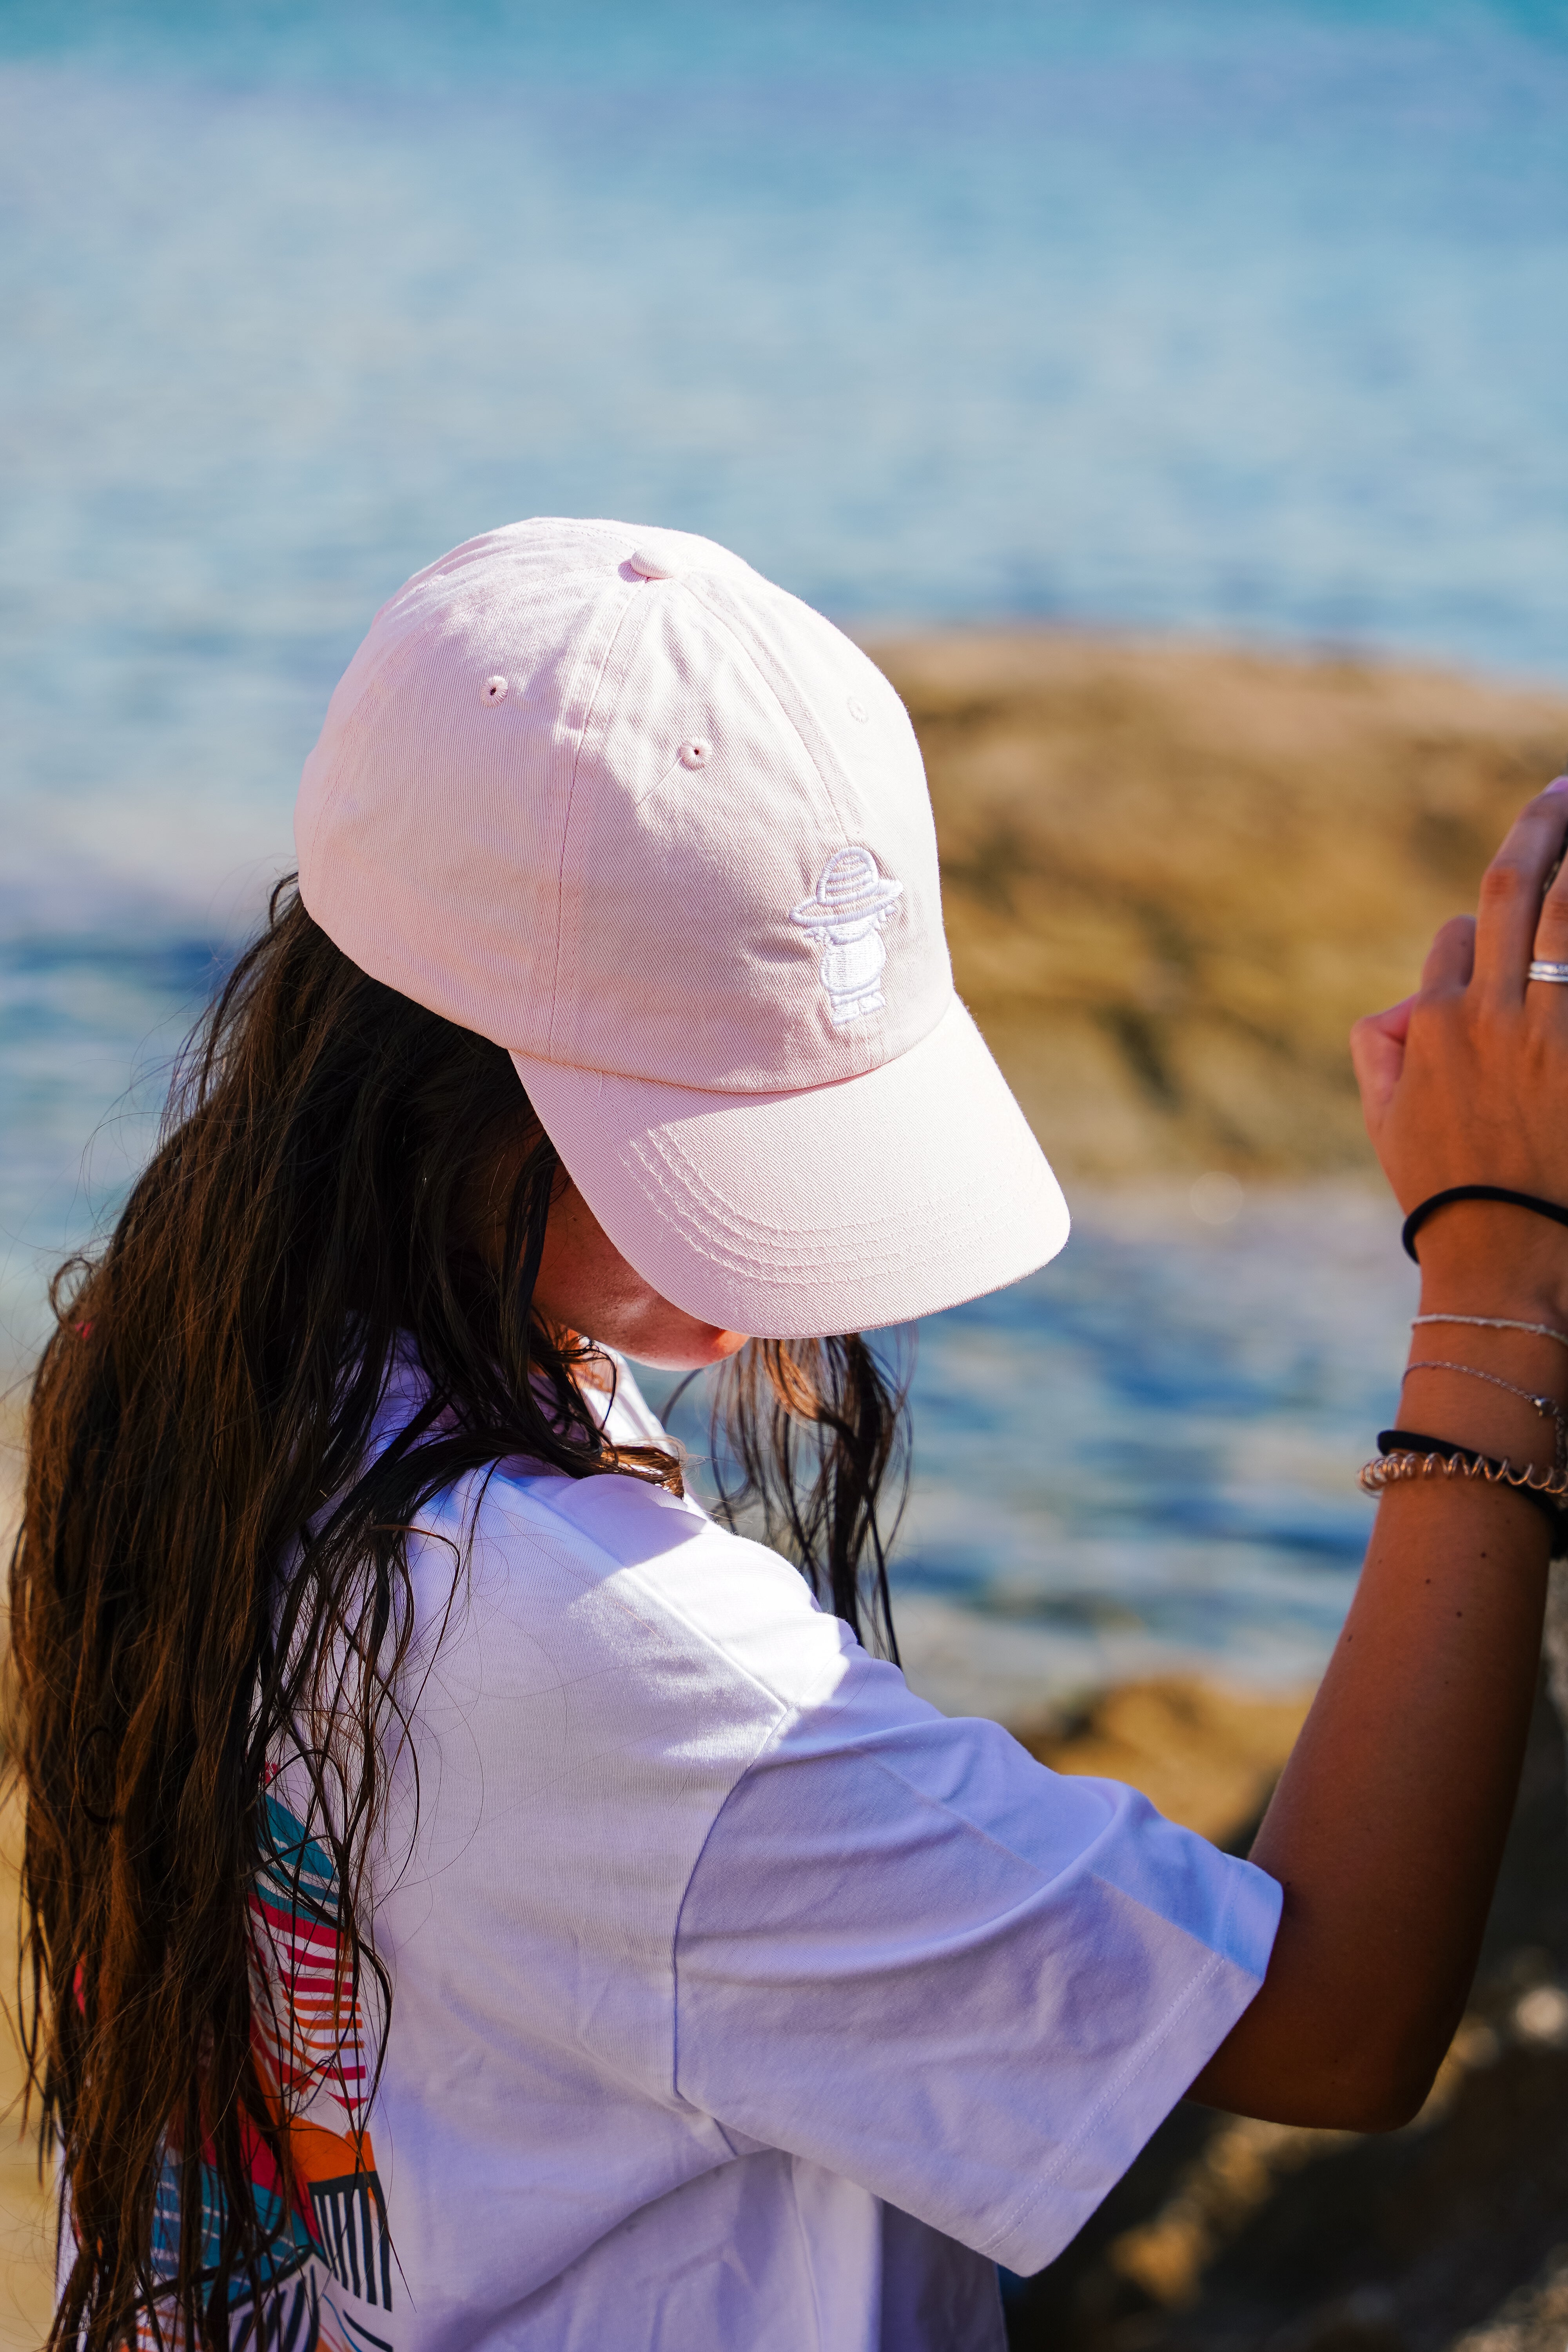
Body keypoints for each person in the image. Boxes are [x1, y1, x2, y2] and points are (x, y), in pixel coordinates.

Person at [13, 518, 1568, 2352]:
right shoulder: (600, 1657)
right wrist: (1496, 1276)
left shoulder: (170, 1349)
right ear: (441, 1077)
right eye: (702, 1163)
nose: (768, 1298)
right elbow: (1331, 2022)